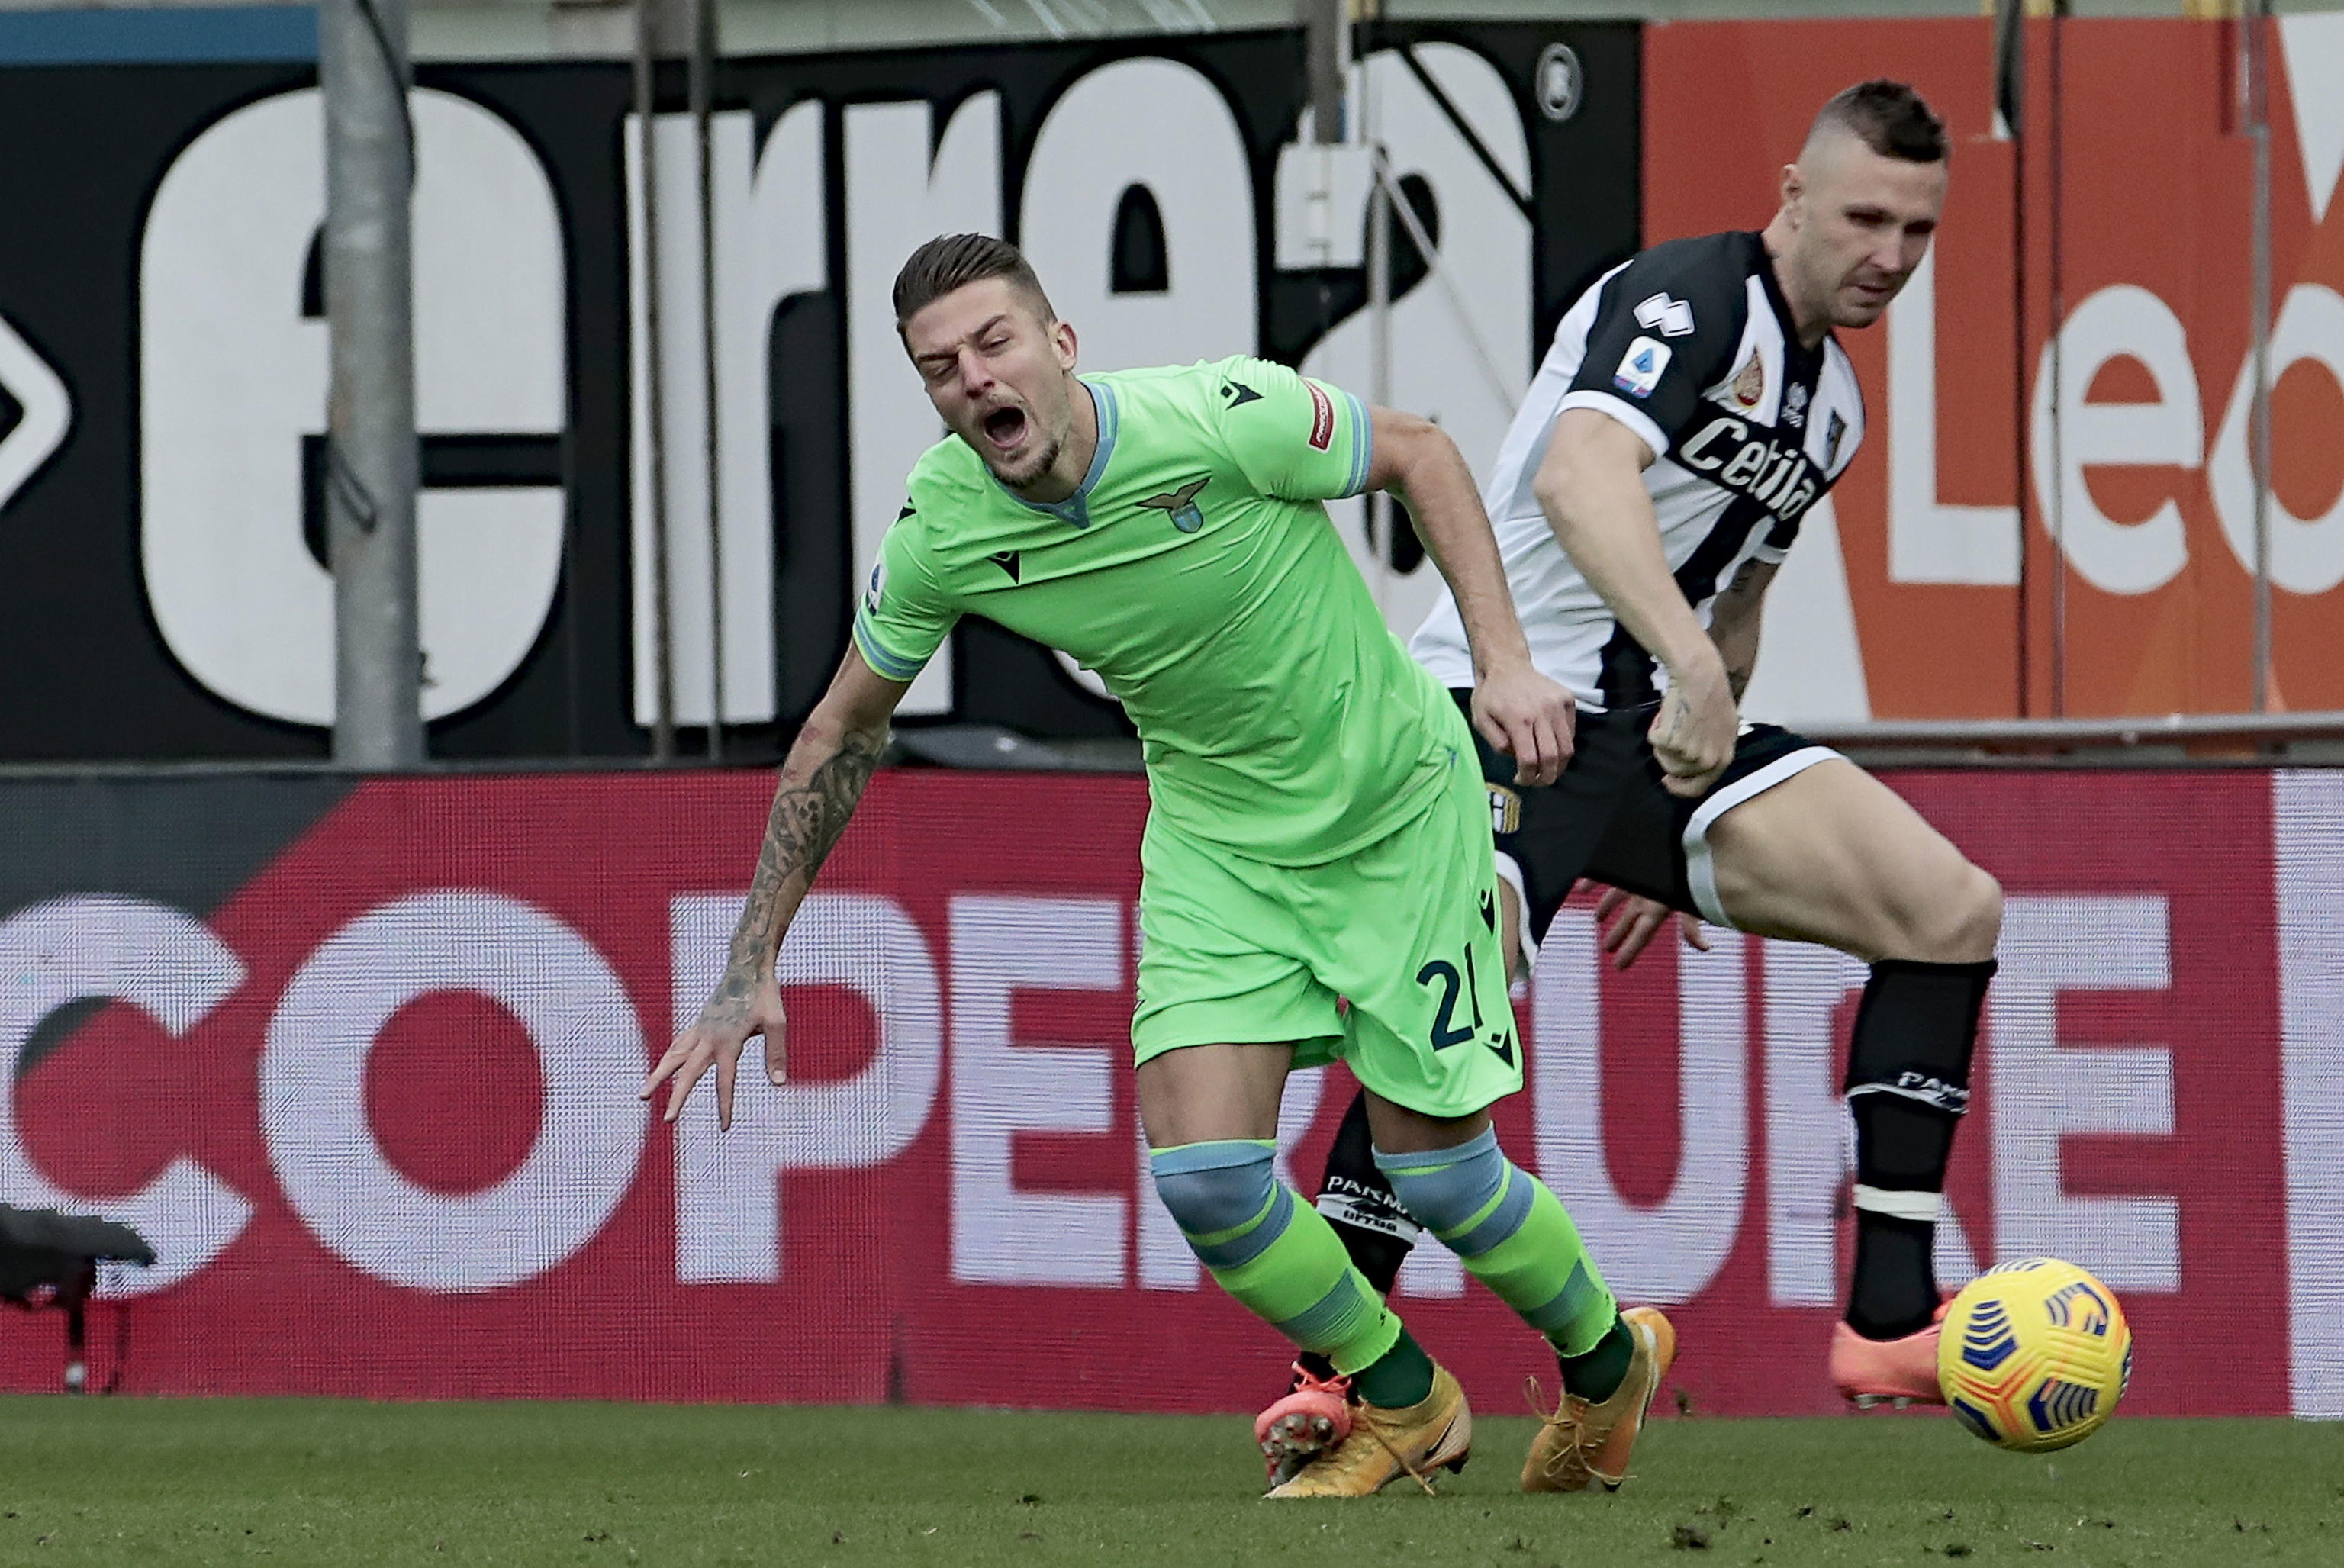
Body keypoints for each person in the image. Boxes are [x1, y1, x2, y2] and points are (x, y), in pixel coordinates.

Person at [641, 233, 1676, 1499]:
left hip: (1396, 813)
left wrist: (1506, 661)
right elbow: (840, 732)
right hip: (1218, 844)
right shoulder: (944, 532)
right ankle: (1406, 1398)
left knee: (1440, 1173)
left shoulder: (1220, 415)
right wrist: (751, 965)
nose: (973, 379)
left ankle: (1606, 1355)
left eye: (993, 342)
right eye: (939, 367)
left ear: (1060, 345)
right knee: (1206, 1175)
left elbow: (1421, 453)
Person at [1264, 78, 2001, 1473]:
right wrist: (1691, 669)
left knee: (1949, 911)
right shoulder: (1691, 299)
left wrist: (1692, 780)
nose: (1890, 255)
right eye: (1863, 217)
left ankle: (1891, 1318)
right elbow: (1581, 478)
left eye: (1917, 228)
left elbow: (1733, 604)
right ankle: (1339, 1381)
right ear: (1791, 195)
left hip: (1640, 744)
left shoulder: (1828, 403)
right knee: (1441, 1020)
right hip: (1501, 706)